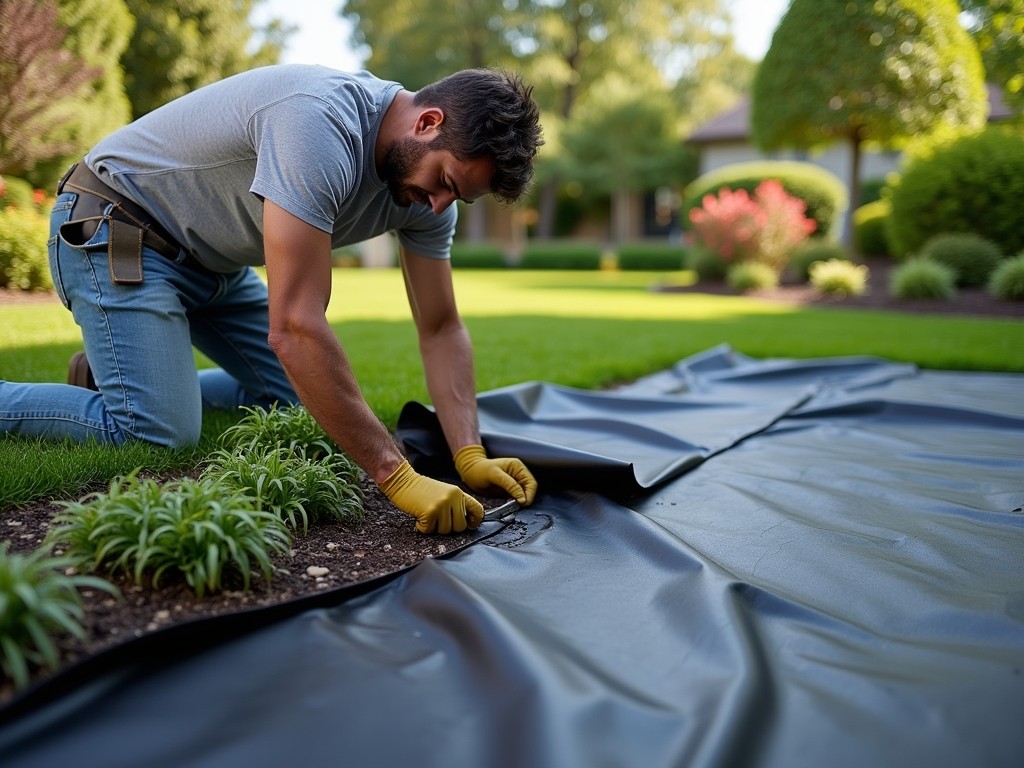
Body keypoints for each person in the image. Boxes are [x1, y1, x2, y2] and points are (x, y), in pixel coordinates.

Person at [0, 64, 542, 534]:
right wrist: (396, 476)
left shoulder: (425, 201)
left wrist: (468, 452)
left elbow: (442, 327)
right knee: (159, 433)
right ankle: (134, 391)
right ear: (427, 122)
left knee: (303, 400)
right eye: (444, 180)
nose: (439, 205)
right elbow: (296, 327)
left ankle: (128, 375)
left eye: (457, 197)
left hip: (215, 263)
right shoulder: (320, 123)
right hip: (119, 228)